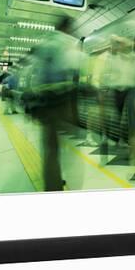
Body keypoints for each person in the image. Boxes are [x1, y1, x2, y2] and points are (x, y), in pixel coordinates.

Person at [25, 17, 82, 191]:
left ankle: (53, 179)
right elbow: (69, 69)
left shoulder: (44, 43)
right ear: (66, 28)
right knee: (53, 147)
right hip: (57, 100)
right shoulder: (63, 44)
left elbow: (34, 73)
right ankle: (52, 185)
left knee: (51, 146)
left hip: (43, 101)